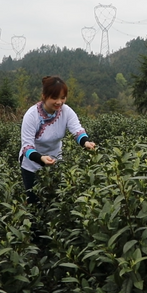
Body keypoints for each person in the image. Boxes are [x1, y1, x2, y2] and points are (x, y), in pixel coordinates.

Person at [20, 76, 96, 205]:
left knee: (56, 202)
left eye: (62, 98)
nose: (59, 102)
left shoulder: (66, 112)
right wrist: (41, 158)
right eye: (54, 98)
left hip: (55, 163)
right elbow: (26, 147)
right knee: (35, 204)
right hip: (32, 165)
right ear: (44, 96)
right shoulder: (32, 115)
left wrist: (86, 142)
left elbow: (77, 131)